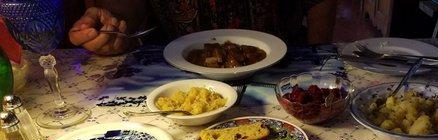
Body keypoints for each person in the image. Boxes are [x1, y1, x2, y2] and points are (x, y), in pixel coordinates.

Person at [68, 0, 337, 56]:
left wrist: (317, 53)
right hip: (176, 74)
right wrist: (110, 28)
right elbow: (126, 12)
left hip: (281, 64)